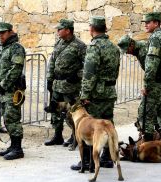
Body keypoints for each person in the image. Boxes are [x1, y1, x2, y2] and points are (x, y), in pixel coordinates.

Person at [71, 16, 120, 171]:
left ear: (91, 29)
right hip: (109, 92)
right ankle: (107, 158)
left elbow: (89, 74)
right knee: (107, 125)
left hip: (96, 95)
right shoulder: (114, 47)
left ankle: (86, 161)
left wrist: (84, 95)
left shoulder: (95, 47)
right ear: (104, 29)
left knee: (90, 127)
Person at [44, 19, 86, 147]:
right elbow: (52, 62)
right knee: (56, 111)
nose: (57, 31)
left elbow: (87, 66)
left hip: (70, 85)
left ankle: (75, 136)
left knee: (72, 112)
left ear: (68, 30)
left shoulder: (80, 46)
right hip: (57, 83)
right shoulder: (59, 43)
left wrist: (76, 76)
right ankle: (57, 135)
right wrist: (50, 79)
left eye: (60, 29)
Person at [136, 12, 161, 142]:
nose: (146, 25)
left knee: (147, 113)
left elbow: (151, 64)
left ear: (156, 23)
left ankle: (148, 143)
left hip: (156, 83)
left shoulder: (155, 38)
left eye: (148, 22)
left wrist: (147, 85)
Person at [0, 22, 26, 160]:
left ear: (10, 32)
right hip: (3, 90)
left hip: (12, 90)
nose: (0, 35)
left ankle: (18, 149)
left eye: (3, 32)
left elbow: (16, 69)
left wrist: (4, 84)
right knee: (7, 119)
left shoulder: (16, 48)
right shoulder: (2, 48)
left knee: (13, 119)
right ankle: (13, 146)